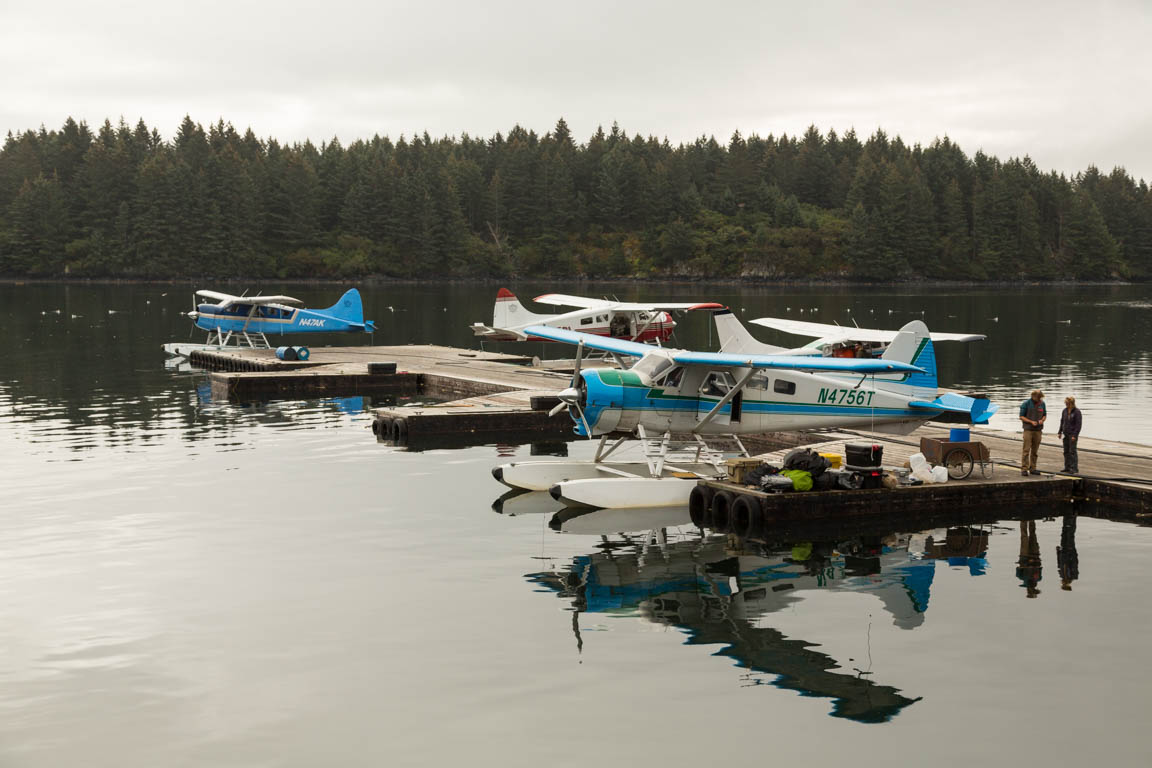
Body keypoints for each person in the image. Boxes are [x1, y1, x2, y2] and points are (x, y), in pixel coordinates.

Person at [1018, 389, 1047, 476]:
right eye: (1038, 397)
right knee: (1026, 450)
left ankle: (1033, 468)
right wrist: (1031, 422)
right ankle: (1024, 468)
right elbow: (1021, 416)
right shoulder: (1026, 404)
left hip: (1038, 430)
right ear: (1033, 396)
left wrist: (1042, 420)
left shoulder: (1042, 404)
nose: (1040, 399)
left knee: (1035, 450)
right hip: (1028, 430)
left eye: (1040, 397)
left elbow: (1045, 414)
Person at [1057, 396, 1082, 474]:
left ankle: (1074, 468)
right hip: (1065, 433)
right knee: (1066, 451)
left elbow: (1078, 425)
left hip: (1072, 434)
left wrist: (1075, 435)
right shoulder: (1064, 411)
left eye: (1067, 403)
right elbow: (1062, 422)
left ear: (1072, 403)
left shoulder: (1077, 412)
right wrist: (1059, 431)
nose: (1066, 405)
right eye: (1065, 403)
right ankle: (1067, 467)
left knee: (1072, 451)